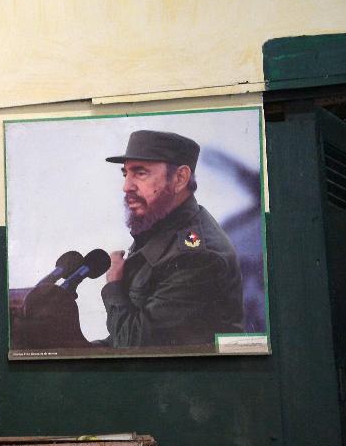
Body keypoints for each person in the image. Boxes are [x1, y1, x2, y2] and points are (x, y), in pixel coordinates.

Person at [101, 130, 244, 348]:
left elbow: (134, 347)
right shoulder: (158, 226)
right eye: (125, 174)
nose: (126, 186)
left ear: (180, 178)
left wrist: (114, 285)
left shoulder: (197, 257)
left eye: (140, 173)